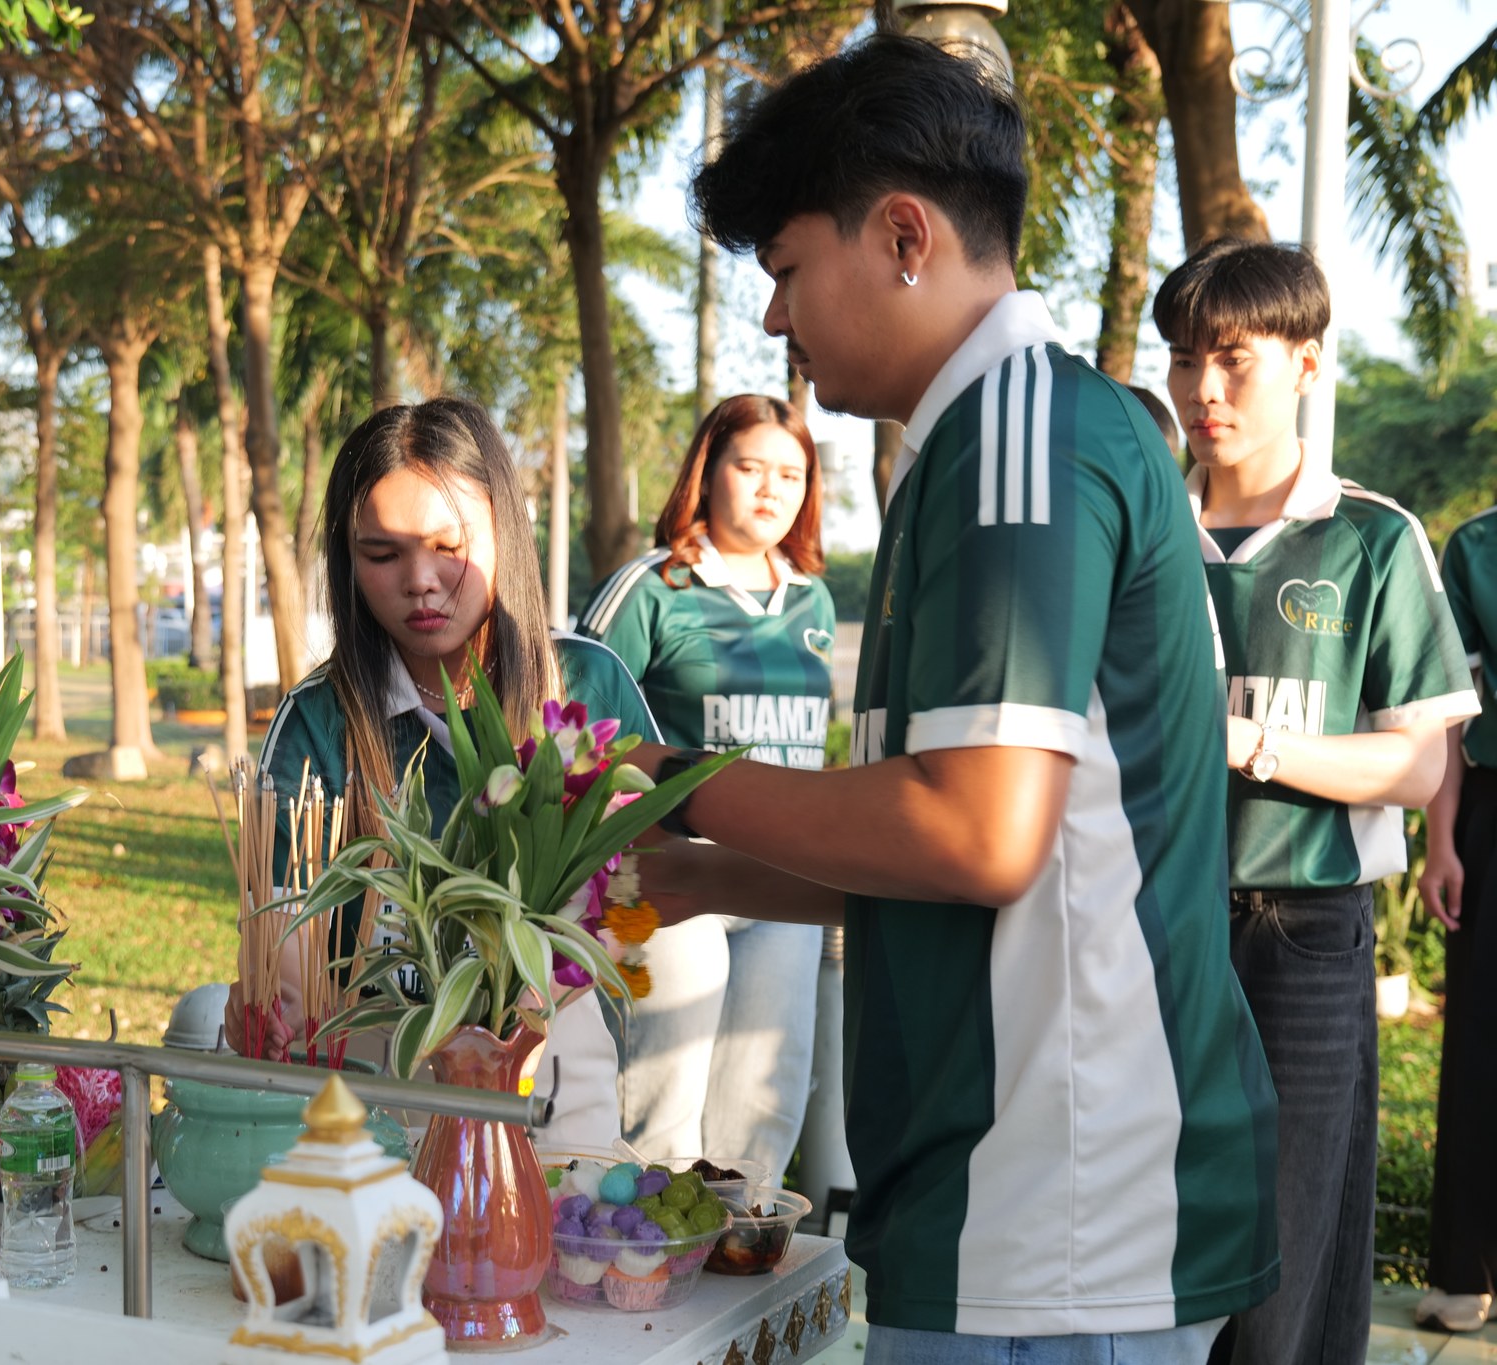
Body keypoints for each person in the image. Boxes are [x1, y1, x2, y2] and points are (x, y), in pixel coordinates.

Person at [626, 35, 1281, 1357]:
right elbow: (953, 854)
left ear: (905, 234)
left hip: (1058, 1215)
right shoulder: (970, 455)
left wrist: (673, 778)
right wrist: (694, 876)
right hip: (1007, 1200)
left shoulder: (1020, 442)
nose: (775, 322)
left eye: (788, 270)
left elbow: (979, 834)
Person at [1152, 238, 1478, 1365]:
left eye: (1231, 359)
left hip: (1299, 933)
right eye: (1184, 359)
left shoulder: (1371, 538)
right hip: (1148, 928)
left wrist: (1244, 742)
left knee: (1283, 1263)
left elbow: (1415, 767)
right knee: (1152, 1249)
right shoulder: (1141, 535)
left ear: (1304, 363)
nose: (1201, 390)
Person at [228, 396, 660, 1150]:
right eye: (382, 554)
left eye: (448, 544)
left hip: (554, 1086)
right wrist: (276, 1001)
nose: (421, 580)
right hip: (372, 1105)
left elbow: (645, 882)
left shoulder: (585, 681)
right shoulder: (317, 723)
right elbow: (284, 929)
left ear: (504, 530)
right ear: (346, 559)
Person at [576, 393, 834, 1178]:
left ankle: (742, 1253)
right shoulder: (652, 587)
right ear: (707, 471)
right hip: (669, 876)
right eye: (749, 466)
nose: (770, 489)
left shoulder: (813, 596)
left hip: (781, 873)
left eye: (791, 473)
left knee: (766, 1098)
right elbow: (576, 726)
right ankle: (638, 1257)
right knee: (667, 1097)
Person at [1417, 505, 1497, 1333]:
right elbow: (1452, 715)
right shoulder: (1476, 547)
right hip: (1491, 810)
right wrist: (1443, 841)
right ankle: (1463, 1268)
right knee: (1479, 1038)